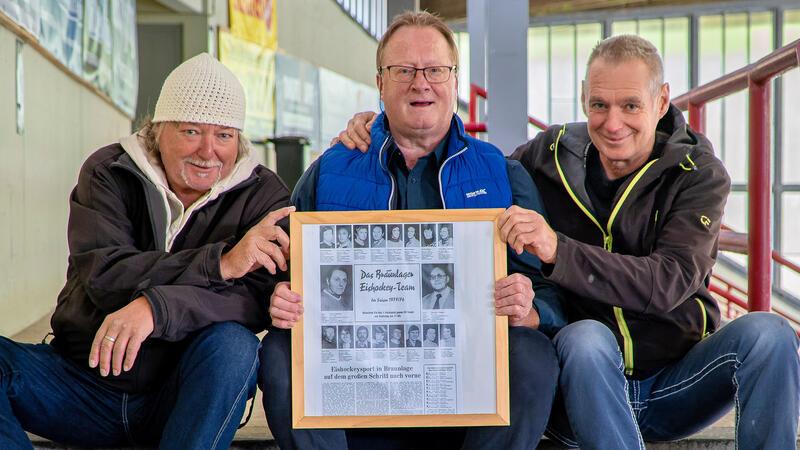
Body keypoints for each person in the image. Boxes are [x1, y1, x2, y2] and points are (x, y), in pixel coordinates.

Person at [339, 34, 800, 450]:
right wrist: (384, 129)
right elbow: (469, 174)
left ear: (661, 103)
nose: (613, 123)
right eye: (599, 105)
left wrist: (559, 249)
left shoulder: (698, 173)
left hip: (678, 383)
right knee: (585, 338)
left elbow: (668, 282)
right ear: (583, 100)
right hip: (580, 386)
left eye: (631, 106)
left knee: (771, 334)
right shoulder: (549, 154)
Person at [261, 11, 561, 450]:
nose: (421, 83)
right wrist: (280, 299)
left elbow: (549, 289)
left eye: (435, 69)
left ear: (454, 80)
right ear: (380, 82)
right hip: (355, 383)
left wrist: (530, 309)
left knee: (532, 357)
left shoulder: (502, 174)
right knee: (280, 352)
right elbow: (281, 272)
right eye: (403, 70)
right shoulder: (329, 172)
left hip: (466, 390)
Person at [0, 53, 292, 449]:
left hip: (180, 396)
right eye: (191, 131)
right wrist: (220, 264)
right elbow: (106, 273)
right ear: (158, 130)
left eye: (224, 134)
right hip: (79, 383)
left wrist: (158, 309)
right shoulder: (110, 171)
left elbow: (253, 298)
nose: (209, 151)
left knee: (235, 346)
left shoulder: (263, 195)